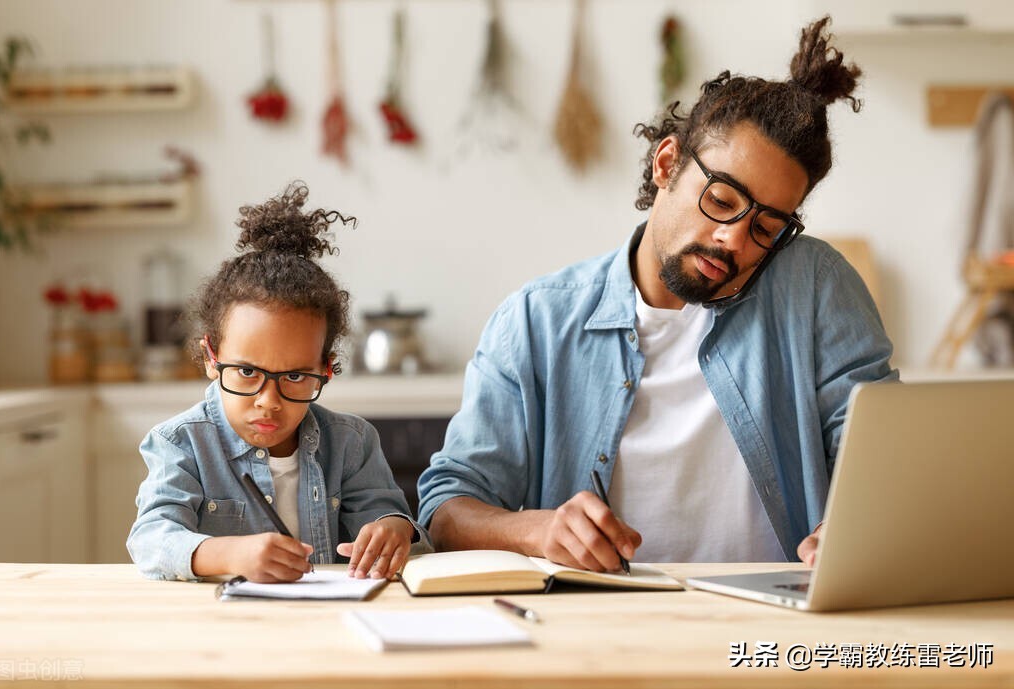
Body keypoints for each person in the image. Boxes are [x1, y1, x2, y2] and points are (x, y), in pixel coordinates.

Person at [417, 17, 898, 571]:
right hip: (601, 625)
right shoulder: (536, 320)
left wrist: (852, 524)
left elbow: (881, 447)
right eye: (721, 199)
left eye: (767, 227)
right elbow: (446, 509)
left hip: (777, 625)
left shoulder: (815, 285)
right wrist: (538, 529)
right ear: (666, 163)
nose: (734, 239)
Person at [128, 182, 429, 583]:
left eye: (295, 376)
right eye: (248, 372)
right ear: (211, 359)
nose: (268, 401)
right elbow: (151, 540)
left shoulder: (351, 443)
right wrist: (229, 554)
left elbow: (388, 518)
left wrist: (395, 529)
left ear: (325, 369)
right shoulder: (182, 443)